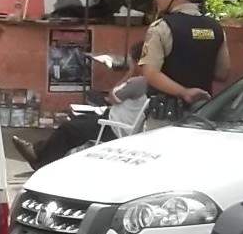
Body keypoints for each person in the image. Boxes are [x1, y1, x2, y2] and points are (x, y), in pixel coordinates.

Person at [11, 44, 149, 170]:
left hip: (113, 127)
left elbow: (112, 97)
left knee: (68, 128)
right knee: (77, 120)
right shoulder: (149, 83)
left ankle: (41, 161)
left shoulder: (138, 82)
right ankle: (38, 150)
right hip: (113, 119)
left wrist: (130, 73)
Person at [139, 0, 230, 125]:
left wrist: (185, 92)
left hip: (165, 118)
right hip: (201, 116)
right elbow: (222, 73)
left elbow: (150, 73)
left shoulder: (162, 27)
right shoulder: (215, 28)